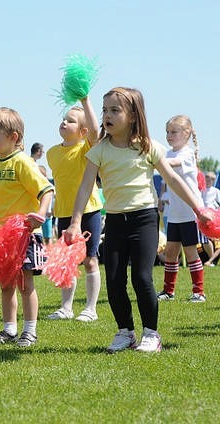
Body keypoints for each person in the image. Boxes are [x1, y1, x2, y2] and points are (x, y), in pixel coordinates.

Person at [64, 87, 212, 353]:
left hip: (144, 219)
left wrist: (198, 208)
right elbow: (85, 187)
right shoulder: (99, 150)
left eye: (115, 110)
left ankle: (151, 334)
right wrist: (75, 223)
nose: (107, 115)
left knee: (142, 278)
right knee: (115, 279)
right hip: (115, 222)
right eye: (105, 110)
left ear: (132, 115)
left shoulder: (148, 146)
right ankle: (125, 332)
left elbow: (173, 180)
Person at [0, 108, 54, 347]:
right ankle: (9, 330)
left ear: (14, 137)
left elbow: (47, 190)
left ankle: (30, 331)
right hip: (0, 237)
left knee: (25, 284)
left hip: (24, 235)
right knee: (6, 284)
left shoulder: (22, 163)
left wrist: (40, 214)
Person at [46, 97, 103, 322]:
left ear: (82, 131)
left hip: (89, 211)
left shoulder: (86, 149)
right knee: (67, 261)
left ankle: (90, 308)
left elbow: (96, 132)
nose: (64, 123)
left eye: (70, 121)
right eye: (63, 119)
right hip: (63, 213)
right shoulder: (51, 153)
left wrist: (85, 101)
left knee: (90, 259)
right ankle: (66, 307)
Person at [157, 115, 207, 302]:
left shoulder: (186, 154)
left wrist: (155, 159)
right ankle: (168, 291)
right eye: (167, 132)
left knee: (190, 251)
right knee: (171, 252)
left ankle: (198, 292)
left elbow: (172, 164)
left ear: (186, 134)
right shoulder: (168, 153)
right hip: (175, 214)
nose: (169, 136)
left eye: (173, 132)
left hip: (190, 213)